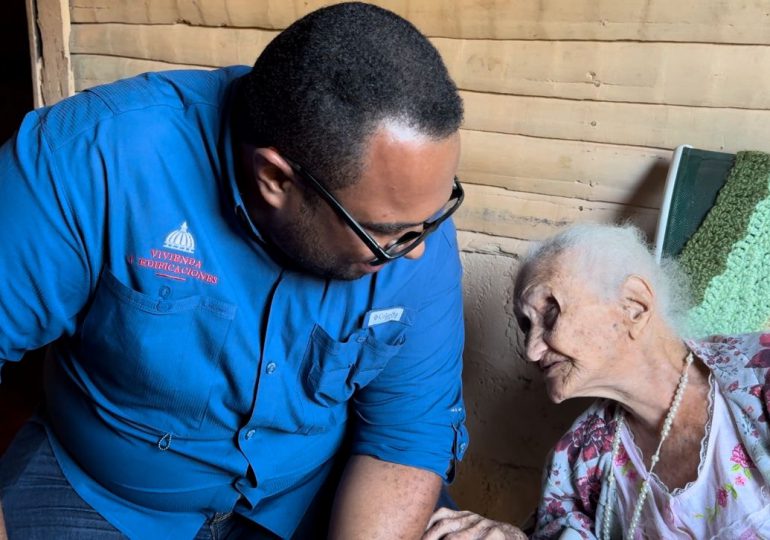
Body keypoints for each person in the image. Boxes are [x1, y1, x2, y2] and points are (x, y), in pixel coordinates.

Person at [0, 3, 469, 538]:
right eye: (387, 234)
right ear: (274, 178)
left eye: (432, 219)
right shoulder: (90, 157)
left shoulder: (404, 216)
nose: (415, 252)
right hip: (103, 492)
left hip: (311, 497)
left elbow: (404, 437)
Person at [422, 223, 770, 539]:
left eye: (551, 312)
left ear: (633, 306)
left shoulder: (760, 373)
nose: (531, 350)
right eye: (526, 325)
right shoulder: (578, 459)